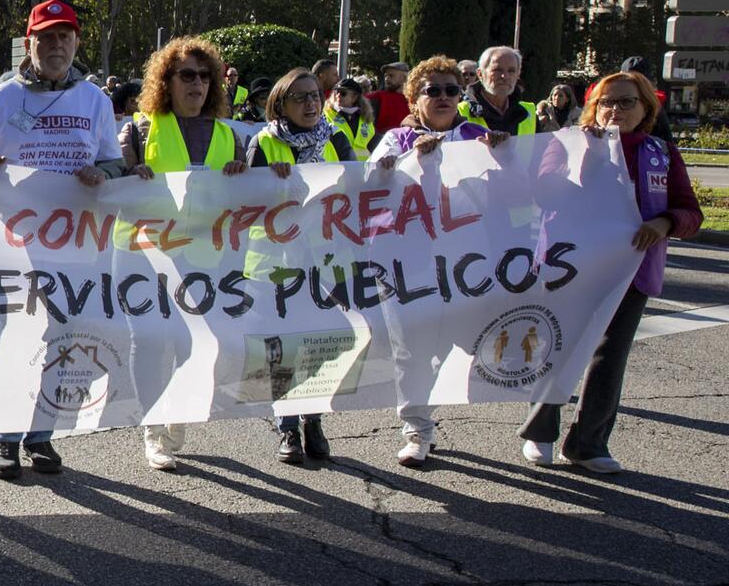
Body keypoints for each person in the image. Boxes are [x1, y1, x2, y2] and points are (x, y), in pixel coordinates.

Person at [0, 0, 122, 480]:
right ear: (28, 44)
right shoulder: (2, 98)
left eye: (65, 36)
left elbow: (115, 162)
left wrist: (102, 172)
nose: (56, 45)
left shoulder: (95, 100)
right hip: (13, 245)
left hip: (74, 246)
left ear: (76, 43)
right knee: (15, 340)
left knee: (61, 342)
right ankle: (6, 439)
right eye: (46, 37)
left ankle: (41, 437)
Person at [515, 71, 700, 474]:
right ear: (592, 108)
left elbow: (691, 212)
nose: (615, 110)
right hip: (569, 266)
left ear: (646, 108)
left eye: (626, 102)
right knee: (556, 346)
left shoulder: (661, 153)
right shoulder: (569, 144)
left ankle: (589, 443)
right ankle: (540, 433)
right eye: (606, 102)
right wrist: (591, 158)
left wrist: (666, 224)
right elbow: (541, 191)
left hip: (631, 270)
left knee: (609, 357)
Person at [368, 55, 509, 469]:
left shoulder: (478, 136)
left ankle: (429, 395)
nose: (445, 97)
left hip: (465, 264)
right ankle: (417, 429)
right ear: (414, 99)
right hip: (405, 263)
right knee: (410, 349)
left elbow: (513, 186)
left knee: (456, 342)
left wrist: (505, 156)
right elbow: (372, 183)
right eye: (433, 90)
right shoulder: (397, 139)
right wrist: (408, 161)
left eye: (452, 90)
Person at [117, 38, 250, 470]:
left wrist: (244, 176)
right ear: (166, 82)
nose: (197, 83)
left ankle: (178, 408)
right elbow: (111, 182)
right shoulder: (138, 129)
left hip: (202, 257)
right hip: (144, 253)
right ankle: (154, 428)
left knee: (195, 343)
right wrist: (127, 171)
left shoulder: (231, 137)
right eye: (186, 75)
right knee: (151, 340)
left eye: (204, 75)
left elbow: (249, 198)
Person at [248, 68, 357, 464]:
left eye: (315, 95)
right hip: (276, 263)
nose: (311, 104)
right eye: (300, 97)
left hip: (326, 259)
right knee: (282, 347)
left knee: (329, 340)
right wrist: (267, 183)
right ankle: (288, 427)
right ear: (280, 103)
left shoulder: (338, 138)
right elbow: (245, 201)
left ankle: (314, 416)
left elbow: (358, 187)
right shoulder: (262, 142)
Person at [459, 45, 547, 136]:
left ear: (518, 74)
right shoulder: (459, 112)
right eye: (497, 70)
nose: (505, 76)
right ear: (480, 74)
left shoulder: (529, 113)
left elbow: (543, 149)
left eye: (511, 71)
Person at [324, 76, 377, 158]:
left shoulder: (365, 117)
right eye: (336, 92)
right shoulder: (326, 113)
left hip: (362, 167)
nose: (338, 95)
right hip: (339, 167)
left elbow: (373, 144)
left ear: (354, 97)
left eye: (343, 93)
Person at [367, 61, 412, 134]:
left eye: (391, 75)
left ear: (404, 78)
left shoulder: (415, 100)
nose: (386, 79)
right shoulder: (376, 98)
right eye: (385, 75)